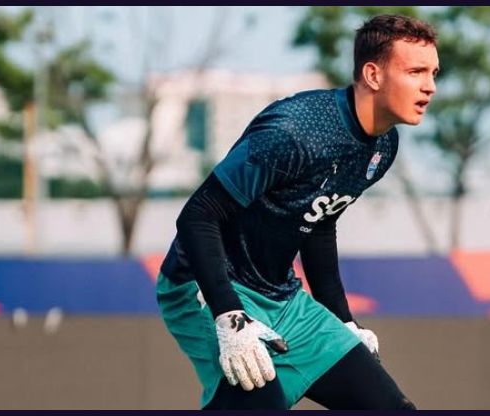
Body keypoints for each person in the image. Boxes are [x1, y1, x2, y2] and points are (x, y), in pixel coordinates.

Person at [156, 14, 438, 410]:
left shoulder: (382, 147)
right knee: (260, 403)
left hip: (283, 298)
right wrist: (229, 315)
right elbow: (198, 215)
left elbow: (318, 225)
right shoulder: (293, 131)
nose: (430, 86)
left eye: (433, 73)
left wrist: (343, 320)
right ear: (373, 75)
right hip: (205, 286)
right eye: (415, 71)